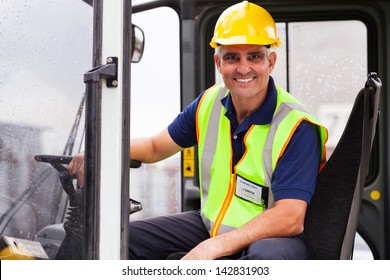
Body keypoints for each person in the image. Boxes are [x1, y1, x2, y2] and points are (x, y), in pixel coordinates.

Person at [69, 1, 328, 260]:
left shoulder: (297, 126)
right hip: (210, 226)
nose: (243, 68)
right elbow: (155, 147)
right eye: (232, 57)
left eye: (254, 56)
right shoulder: (209, 103)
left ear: (271, 62)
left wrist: (213, 247)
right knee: (121, 240)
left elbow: (290, 217)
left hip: (272, 238)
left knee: (266, 257)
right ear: (218, 62)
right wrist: (100, 151)